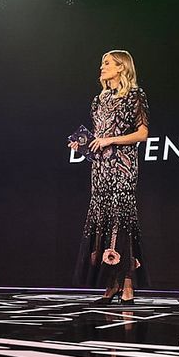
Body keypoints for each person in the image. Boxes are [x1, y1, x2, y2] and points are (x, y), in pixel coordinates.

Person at [71, 50, 150, 305]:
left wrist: (110, 140)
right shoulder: (98, 100)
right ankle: (111, 283)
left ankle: (128, 283)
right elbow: (97, 137)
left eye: (107, 63)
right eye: (101, 63)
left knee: (121, 223)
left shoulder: (135, 96)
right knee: (103, 223)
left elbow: (142, 134)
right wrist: (82, 145)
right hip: (100, 170)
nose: (101, 67)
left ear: (121, 67)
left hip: (123, 168)